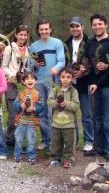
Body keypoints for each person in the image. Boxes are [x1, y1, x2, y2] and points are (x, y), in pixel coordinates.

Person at [29, 18, 65, 151]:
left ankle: (58, 142)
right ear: (38, 31)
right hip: (39, 83)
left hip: (54, 82)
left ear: (50, 29)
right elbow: (31, 67)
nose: (44, 31)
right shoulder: (33, 46)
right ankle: (46, 141)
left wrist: (56, 68)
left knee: (55, 112)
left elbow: (62, 61)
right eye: (41, 29)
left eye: (46, 29)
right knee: (43, 113)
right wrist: (36, 65)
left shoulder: (57, 43)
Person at [86, 14, 109, 162]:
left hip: (107, 86)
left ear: (106, 25)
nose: (97, 27)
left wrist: (107, 66)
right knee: (96, 118)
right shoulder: (90, 42)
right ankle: (98, 147)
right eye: (94, 25)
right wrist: (81, 69)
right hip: (92, 85)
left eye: (100, 24)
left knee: (108, 119)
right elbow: (86, 62)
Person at [64, 16, 94, 155]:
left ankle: (89, 141)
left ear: (82, 27)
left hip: (85, 82)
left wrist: (84, 71)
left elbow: (93, 61)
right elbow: (63, 61)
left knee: (87, 114)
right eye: (72, 26)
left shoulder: (89, 42)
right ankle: (73, 141)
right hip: (70, 83)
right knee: (71, 113)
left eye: (77, 26)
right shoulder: (66, 43)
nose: (75, 29)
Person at [2, 24, 31, 147]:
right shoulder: (10, 49)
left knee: (22, 113)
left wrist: (27, 78)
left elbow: (28, 66)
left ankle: (18, 140)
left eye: (25, 35)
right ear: (16, 35)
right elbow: (3, 66)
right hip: (11, 84)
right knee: (13, 114)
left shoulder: (28, 49)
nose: (23, 37)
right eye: (21, 34)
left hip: (23, 85)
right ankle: (9, 139)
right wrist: (12, 76)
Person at [49, 67, 80, 169]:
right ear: (59, 78)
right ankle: (55, 158)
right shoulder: (55, 90)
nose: (65, 79)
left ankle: (67, 159)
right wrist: (56, 103)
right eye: (63, 77)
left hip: (69, 124)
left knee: (69, 143)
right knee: (55, 142)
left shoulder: (74, 91)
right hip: (56, 123)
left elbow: (76, 106)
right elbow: (49, 102)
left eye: (68, 77)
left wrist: (67, 104)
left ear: (72, 79)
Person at [13, 71, 44, 164]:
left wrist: (34, 108)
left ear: (36, 81)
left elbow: (41, 106)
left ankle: (31, 156)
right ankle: (17, 155)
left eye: (32, 78)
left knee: (31, 139)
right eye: (27, 79)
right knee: (18, 138)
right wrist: (21, 106)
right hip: (21, 121)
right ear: (23, 82)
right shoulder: (21, 93)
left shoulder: (38, 94)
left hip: (32, 122)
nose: (30, 80)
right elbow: (15, 104)